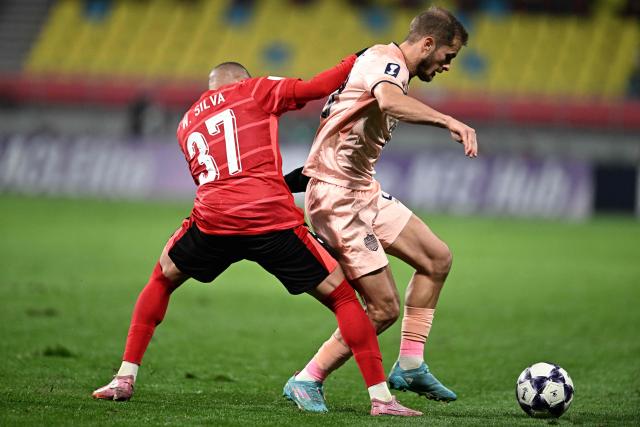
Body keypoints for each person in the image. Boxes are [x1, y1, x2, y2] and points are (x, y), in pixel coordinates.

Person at [91, 54, 421, 417]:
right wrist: (359, 58)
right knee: (344, 299)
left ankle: (124, 377)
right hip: (271, 220)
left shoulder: (187, 122)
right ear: (240, 80)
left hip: (214, 221)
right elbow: (316, 87)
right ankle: (380, 399)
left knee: (162, 279)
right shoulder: (255, 90)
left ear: (211, 86)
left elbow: (213, 177)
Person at [282, 6, 478, 412]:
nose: (446, 66)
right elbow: (389, 103)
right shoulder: (384, 62)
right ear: (428, 43)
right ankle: (307, 378)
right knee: (383, 308)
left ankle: (409, 364)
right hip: (337, 198)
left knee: (437, 258)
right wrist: (449, 122)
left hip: (361, 189)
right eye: (447, 56)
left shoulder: (388, 67)